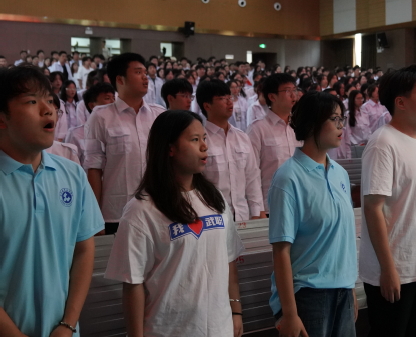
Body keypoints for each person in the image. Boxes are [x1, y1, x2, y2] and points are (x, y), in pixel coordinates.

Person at [104, 110, 244, 337]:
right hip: (168, 330)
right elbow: (133, 283)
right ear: (170, 148)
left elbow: (229, 260)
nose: (204, 146)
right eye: (194, 139)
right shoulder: (142, 210)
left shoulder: (214, 199)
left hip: (220, 328)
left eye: (204, 138)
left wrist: (236, 310)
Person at [0, 65, 104, 337]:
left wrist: (68, 324)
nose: (48, 110)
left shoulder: (73, 174)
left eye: (49, 100)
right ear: (2, 119)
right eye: (32, 102)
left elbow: (83, 250)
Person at [361, 65, 416, 337]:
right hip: (395, 270)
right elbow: (372, 208)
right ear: (401, 102)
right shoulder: (382, 143)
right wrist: (388, 269)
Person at [269, 92, 357, 337]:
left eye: (342, 119)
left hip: (342, 291)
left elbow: (343, 239)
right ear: (311, 124)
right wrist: (290, 313)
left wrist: (349, 287)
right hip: (308, 295)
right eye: (334, 119)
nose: (341, 126)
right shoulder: (288, 178)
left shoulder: (340, 173)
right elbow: (281, 251)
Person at [84, 53, 166, 234]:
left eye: (145, 72)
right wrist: (94, 218)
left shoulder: (159, 114)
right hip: (116, 214)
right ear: (120, 79)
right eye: (138, 72)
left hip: (157, 210)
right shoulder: (101, 116)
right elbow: (94, 168)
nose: (145, 77)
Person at [197, 80, 263, 221]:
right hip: (212, 217)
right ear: (207, 105)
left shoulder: (242, 137)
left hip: (242, 217)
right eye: (222, 98)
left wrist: (258, 211)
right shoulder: (200, 139)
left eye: (230, 97)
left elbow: (252, 178)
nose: (229, 102)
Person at [247, 73, 302, 212]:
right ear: (272, 97)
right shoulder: (258, 129)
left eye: (294, 90)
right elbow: (251, 172)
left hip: (300, 203)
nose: (293, 95)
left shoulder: (299, 127)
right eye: (287, 91)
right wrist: (257, 209)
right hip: (271, 206)